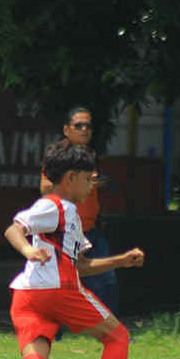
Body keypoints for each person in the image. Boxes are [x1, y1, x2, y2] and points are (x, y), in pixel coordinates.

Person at [0, 141, 145, 359]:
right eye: (87, 178)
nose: (91, 186)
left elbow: (80, 265)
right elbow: (14, 229)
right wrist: (29, 251)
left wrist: (120, 261)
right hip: (57, 291)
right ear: (70, 178)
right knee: (118, 337)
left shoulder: (69, 214)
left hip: (27, 296)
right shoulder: (55, 206)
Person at [41, 107, 120, 314]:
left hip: (90, 231)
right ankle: (51, 330)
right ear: (66, 130)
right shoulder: (59, 155)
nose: (84, 129)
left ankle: (111, 329)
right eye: (78, 125)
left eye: (88, 125)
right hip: (65, 232)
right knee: (57, 284)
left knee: (105, 283)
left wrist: (96, 182)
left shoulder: (89, 154)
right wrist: (77, 181)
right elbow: (45, 187)